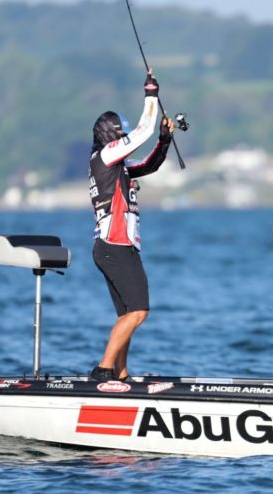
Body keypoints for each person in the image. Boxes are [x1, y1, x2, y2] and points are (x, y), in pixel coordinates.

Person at [88, 70, 174, 382]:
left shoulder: (116, 166)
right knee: (139, 312)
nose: (125, 138)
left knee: (127, 315)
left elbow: (148, 165)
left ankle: (120, 375)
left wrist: (164, 141)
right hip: (115, 246)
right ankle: (103, 370)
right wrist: (151, 93)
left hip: (116, 247)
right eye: (121, 134)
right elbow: (142, 130)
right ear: (110, 136)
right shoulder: (105, 156)